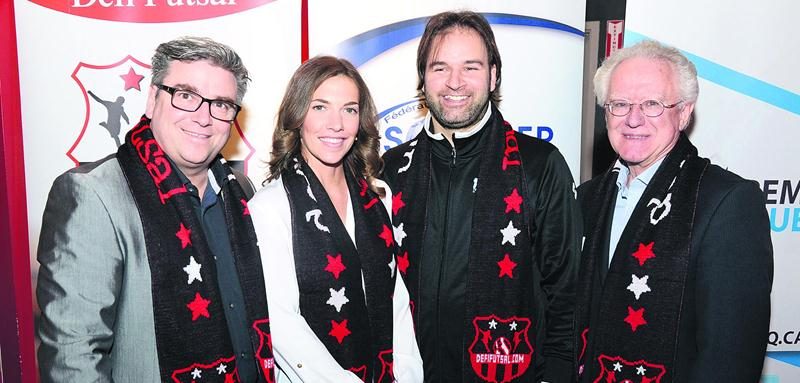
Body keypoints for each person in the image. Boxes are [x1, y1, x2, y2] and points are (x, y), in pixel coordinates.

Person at [36, 37, 274, 383]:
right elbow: (73, 356)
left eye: (221, 104)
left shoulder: (239, 191)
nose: (203, 117)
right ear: (152, 99)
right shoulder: (94, 193)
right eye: (186, 95)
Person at [381, 11, 581, 382]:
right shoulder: (390, 170)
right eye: (440, 68)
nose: (454, 82)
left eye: (470, 67)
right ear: (423, 77)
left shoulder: (539, 165)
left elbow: (567, 295)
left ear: (493, 75)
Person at [575, 40, 773, 382]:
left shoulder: (727, 202)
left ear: (683, 112)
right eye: (619, 104)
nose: (633, 119)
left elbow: (730, 358)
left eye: (652, 104)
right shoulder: (586, 199)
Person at [248, 56, 423, 382]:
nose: (336, 124)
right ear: (297, 116)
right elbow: (282, 322)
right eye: (320, 107)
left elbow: (395, 299)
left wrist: (409, 374)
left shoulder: (377, 198)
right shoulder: (270, 207)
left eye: (350, 109)